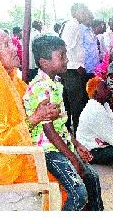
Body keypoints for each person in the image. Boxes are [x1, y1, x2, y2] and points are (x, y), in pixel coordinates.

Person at [0, 29, 65, 201]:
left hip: (20, 151)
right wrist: (36, 117)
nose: (15, 48)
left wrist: (43, 111)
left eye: (12, 42)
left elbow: (31, 110)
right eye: (6, 45)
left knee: (70, 167)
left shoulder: (13, 82)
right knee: (67, 179)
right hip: (2, 163)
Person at [23, 35, 104, 211]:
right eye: (62, 55)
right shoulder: (41, 87)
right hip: (47, 151)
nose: (67, 59)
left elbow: (61, 126)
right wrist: (72, 156)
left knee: (92, 177)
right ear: (44, 62)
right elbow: (50, 131)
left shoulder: (54, 83)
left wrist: (77, 144)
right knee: (79, 193)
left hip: (59, 144)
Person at [60, 3, 91, 135]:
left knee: (71, 101)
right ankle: (79, 133)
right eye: (82, 11)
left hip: (73, 68)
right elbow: (65, 47)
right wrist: (76, 64)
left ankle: (70, 130)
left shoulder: (76, 25)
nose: (84, 13)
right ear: (75, 12)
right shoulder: (72, 25)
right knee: (77, 103)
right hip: (72, 70)